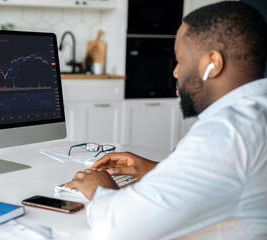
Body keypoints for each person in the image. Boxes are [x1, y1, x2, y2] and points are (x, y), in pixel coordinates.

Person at [65, 2, 267, 239]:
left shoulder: (226, 133)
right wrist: (156, 170)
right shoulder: (256, 113)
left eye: (180, 60)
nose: (175, 72)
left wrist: (99, 188)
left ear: (213, 63)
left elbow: (118, 228)